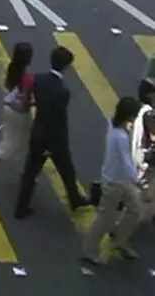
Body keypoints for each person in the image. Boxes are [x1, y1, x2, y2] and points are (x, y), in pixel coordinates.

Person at [14, 44, 86, 218]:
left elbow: (31, 101)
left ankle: (21, 208)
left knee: (30, 173)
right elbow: (57, 118)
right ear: (67, 66)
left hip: (38, 134)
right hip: (55, 140)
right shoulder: (63, 91)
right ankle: (75, 200)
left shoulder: (38, 79)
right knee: (67, 171)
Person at [81, 95, 143, 265]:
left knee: (136, 210)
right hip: (114, 182)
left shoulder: (114, 125)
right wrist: (137, 181)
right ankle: (90, 250)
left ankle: (120, 240)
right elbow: (125, 162)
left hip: (121, 180)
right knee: (105, 218)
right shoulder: (121, 137)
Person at [0, 41, 34, 183]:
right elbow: (26, 102)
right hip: (21, 114)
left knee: (9, 139)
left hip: (8, 109)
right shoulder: (27, 78)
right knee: (21, 142)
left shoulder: (12, 68)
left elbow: (7, 85)